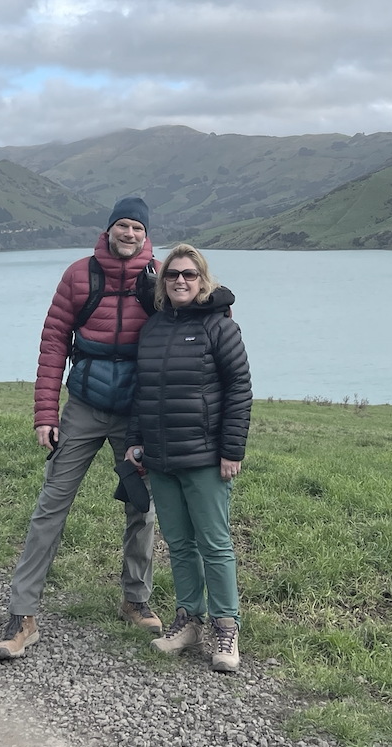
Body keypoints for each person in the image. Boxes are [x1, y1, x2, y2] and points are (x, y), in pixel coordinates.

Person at [0, 197, 162, 661]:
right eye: (122, 225)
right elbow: (53, 344)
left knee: (141, 507)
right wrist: (46, 414)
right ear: (108, 229)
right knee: (51, 505)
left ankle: (135, 597)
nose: (129, 234)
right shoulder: (78, 275)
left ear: (147, 235)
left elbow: (196, 322)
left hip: (136, 413)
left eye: (137, 228)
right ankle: (22, 615)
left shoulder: (162, 278)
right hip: (84, 406)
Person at [124, 243, 252, 673]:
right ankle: (188, 619)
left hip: (205, 457)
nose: (181, 280)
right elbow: (143, 392)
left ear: (203, 281)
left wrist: (232, 450)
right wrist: (136, 440)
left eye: (189, 274)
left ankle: (225, 626)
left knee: (214, 545)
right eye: (173, 274)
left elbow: (239, 390)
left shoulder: (220, 328)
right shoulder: (153, 328)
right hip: (161, 458)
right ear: (162, 283)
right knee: (178, 545)